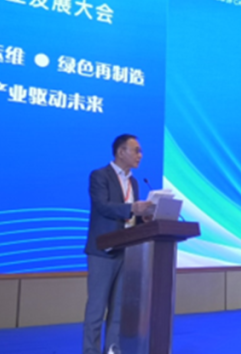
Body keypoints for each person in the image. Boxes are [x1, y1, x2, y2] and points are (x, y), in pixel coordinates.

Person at [82, 134, 155, 354]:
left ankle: (112, 349)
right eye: (136, 150)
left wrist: (145, 217)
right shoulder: (99, 175)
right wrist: (133, 208)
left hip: (127, 250)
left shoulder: (134, 181)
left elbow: (131, 216)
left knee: (119, 308)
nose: (140, 155)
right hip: (103, 250)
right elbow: (103, 206)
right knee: (97, 307)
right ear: (121, 152)